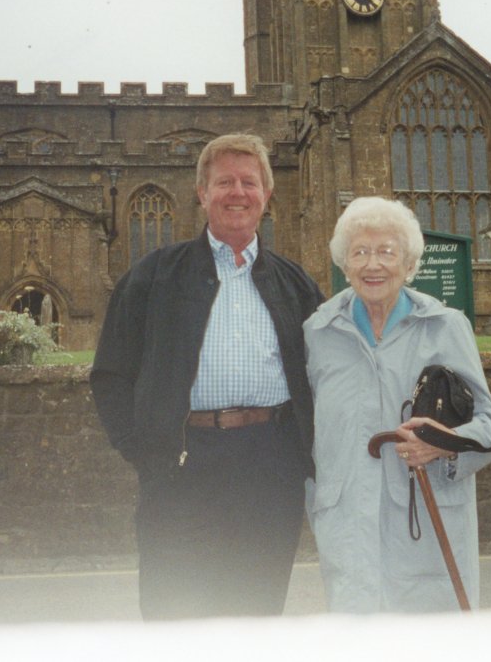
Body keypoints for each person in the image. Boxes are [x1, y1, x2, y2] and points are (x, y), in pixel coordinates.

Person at [91, 133, 324, 620]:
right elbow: (111, 374)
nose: (237, 192)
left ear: (267, 192)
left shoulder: (296, 283)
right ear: (201, 193)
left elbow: (325, 377)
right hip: (182, 465)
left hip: (270, 464)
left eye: (249, 182)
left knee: (255, 615)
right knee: (176, 615)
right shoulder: (153, 275)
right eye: (224, 182)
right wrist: (146, 450)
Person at [303, 196, 491, 612]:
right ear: (344, 265)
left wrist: (444, 442)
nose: (372, 264)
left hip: (426, 526)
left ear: (409, 263)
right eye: (359, 252)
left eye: (386, 252)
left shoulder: (445, 326)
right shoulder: (319, 332)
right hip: (348, 530)